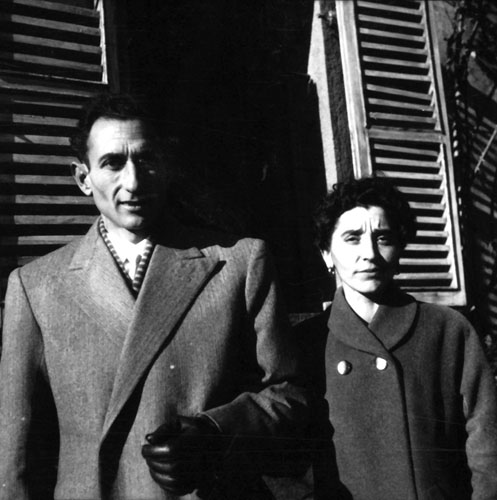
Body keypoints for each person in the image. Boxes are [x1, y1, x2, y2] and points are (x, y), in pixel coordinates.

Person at [0, 93, 309, 500]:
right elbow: (16, 458)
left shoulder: (238, 262)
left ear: (166, 167)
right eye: (113, 163)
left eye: (146, 160)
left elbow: (290, 396)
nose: (133, 181)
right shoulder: (37, 286)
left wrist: (215, 431)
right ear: (83, 178)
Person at [298, 176, 497, 499]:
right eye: (352, 238)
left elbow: (487, 441)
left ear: (400, 249)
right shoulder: (307, 342)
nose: (370, 253)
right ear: (326, 255)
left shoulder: (447, 329)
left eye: (384, 238)